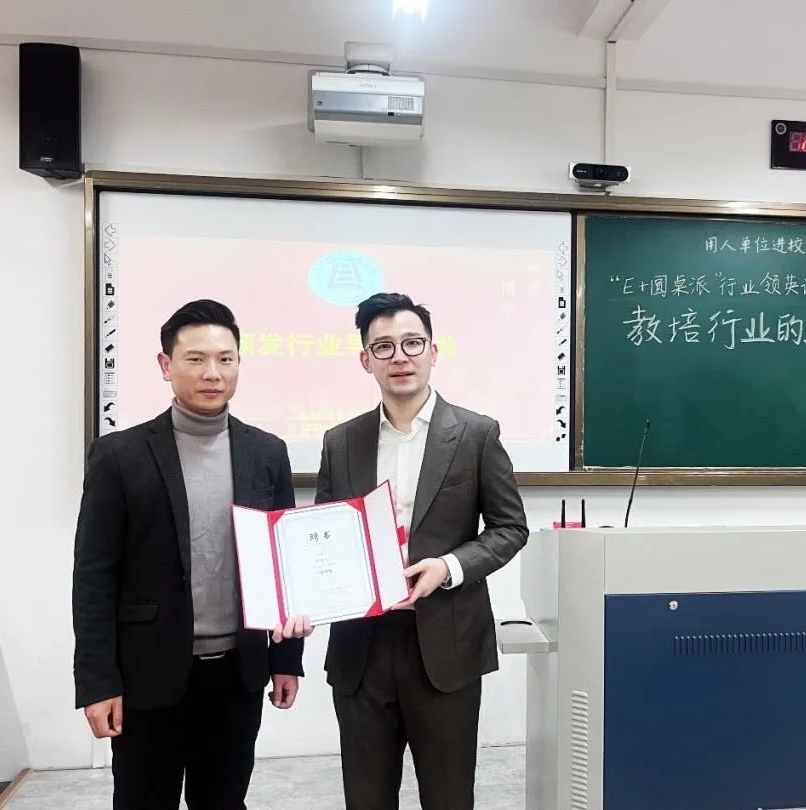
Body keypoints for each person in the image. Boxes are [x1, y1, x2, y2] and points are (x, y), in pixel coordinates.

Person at [276, 292, 529, 810]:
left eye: (412, 343)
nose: (400, 357)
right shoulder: (341, 441)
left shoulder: (476, 434)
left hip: (445, 643)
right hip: (362, 648)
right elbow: (323, 533)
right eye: (384, 346)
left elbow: (509, 528)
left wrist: (449, 566)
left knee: (448, 796)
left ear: (433, 351)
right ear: (365, 360)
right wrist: (304, 599)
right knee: (366, 797)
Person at [71, 299, 305, 810]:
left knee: (223, 802)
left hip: (237, 676)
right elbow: (93, 577)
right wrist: (97, 682)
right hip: (146, 675)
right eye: (195, 358)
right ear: (166, 365)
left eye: (225, 359)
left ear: (239, 364)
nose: (212, 372)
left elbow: (284, 563)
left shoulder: (267, 453)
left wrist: (287, 659)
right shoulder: (118, 456)